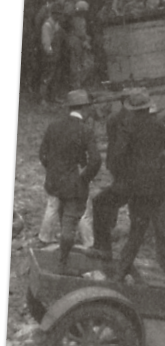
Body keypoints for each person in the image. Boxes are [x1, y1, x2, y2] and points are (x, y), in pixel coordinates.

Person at [94, 90, 165, 281]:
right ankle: (121, 271)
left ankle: (103, 249)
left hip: (128, 183)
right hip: (151, 188)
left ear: (133, 109)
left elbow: (118, 155)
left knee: (100, 203)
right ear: (147, 107)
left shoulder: (128, 127)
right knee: (138, 229)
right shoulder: (161, 127)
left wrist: (121, 175)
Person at [39, 90, 101, 274]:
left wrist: (53, 171)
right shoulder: (85, 130)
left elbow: (43, 154)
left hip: (54, 183)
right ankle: (65, 260)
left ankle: (56, 249)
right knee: (71, 222)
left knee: (57, 212)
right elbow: (96, 160)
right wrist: (84, 177)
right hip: (74, 185)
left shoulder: (53, 126)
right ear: (84, 108)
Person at [88, 88, 139, 262]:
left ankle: (105, 241)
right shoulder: (150, 122)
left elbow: (115, 146)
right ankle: (112, 232)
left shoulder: (114, 119)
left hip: (122, 171)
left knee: (105, 201)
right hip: (137, 174)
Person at [39, 3, 65, 104]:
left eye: (60, 14)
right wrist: (49, 52)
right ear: (53, 14)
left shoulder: (57, 24)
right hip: (49, 55)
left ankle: (54, 97)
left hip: (56, 53)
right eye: (57, 14)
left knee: (55, 76)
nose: (59, 16)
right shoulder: (47, 25)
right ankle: (43, 99)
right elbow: (46, 41)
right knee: (47, 76)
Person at [68, 0, 92, 89]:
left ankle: (79, 83)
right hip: (76, 42)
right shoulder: (76, 19)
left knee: (85, 64)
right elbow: (80, 33)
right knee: (76, 64)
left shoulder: (82, 19)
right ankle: (75, 85)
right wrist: (85, 40)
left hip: (80, 42)